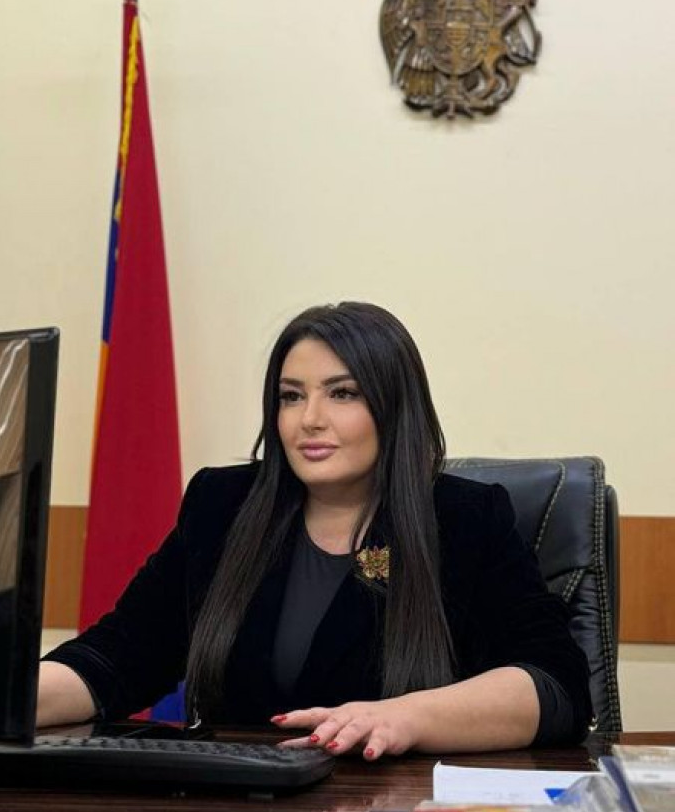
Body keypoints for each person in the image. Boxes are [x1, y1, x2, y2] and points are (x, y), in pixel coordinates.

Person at [39, 302, 592, 758]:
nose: (309, 419)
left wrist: (405, 717)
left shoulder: (465, 519)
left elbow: (557, 685)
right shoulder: (222, 506)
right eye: (292, 396)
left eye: (342, 393)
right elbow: (116, 658)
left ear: (394, 408)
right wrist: (1, 695)